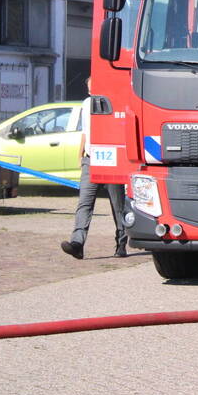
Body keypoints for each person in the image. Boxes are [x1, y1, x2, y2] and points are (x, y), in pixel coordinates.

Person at [61, 78, 129, 259]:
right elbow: (85, 131)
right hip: (90, 160)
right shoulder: (86, 104)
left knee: (118, 205)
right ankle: (77, 243)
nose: (90, 90)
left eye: (93, 87)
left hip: (111, 159)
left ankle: (121, 242)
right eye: (88, 88)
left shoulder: (115, 103)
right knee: (84, 203)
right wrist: (81, 154)